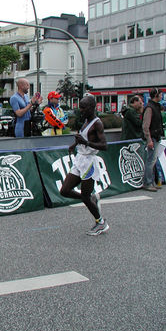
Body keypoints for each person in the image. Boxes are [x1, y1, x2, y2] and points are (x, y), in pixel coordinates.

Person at [60, 95, 108, 236]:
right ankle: (91, 199)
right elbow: (83, 138)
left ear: (92, 107)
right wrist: (74, 144)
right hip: (79, 159)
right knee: (64, 190)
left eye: (83, 107)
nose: (80, 110)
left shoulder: (97, 123)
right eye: (80, 107)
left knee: (85, 197)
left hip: (89, 162)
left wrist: (86, 143)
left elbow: (104, 146)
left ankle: (100, 223)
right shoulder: (86, 121)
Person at [141, 88, 164, 192]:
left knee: (153, 160)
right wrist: (149, 139)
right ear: (156, 95)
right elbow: (145, 126)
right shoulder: (150, 108)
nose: (162, 96)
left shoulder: (154, 107)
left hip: (156, 136)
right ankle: (148, 182)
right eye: (161, 94)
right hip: (153, 136)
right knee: (151, 160)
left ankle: (152, 182)